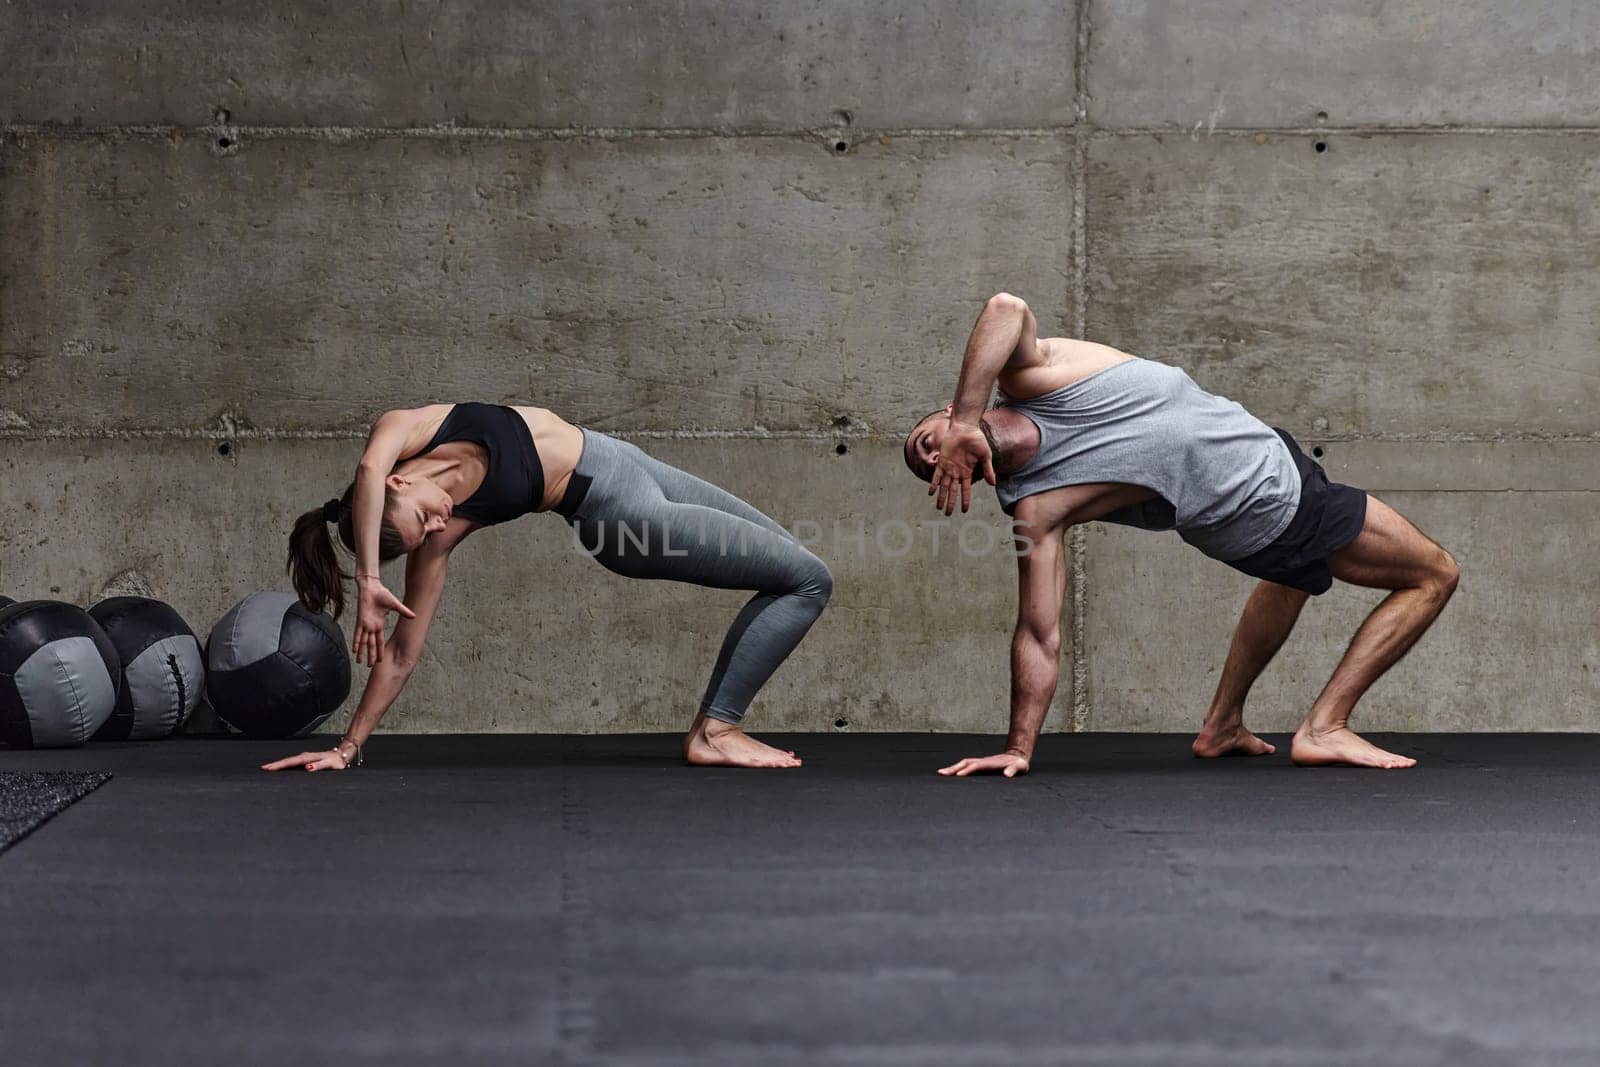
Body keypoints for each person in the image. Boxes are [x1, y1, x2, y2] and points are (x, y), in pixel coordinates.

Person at [904, 294, 1459, 773]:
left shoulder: (1032, 377)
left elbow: (1005, 309)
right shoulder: (1036, 510)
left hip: (1265, 462)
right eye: (927, 467)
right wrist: (1017, 748)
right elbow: (1038, 634)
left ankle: (1221, 726)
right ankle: (1324, 728)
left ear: (950, 413)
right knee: (1433, 574)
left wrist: (963, 426)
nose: (931, 456)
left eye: (926, 440)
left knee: (1291, 579)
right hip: (1268, 499)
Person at [267, 403, 831, 772]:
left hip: (625, 460)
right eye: (428, 533)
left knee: (795, 565)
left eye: (424, 518)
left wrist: (369, 579)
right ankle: (716, 729)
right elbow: (401, 653)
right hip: (627, 517)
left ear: (399, 480)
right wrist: (348, 747)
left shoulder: (403, 431)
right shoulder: (440, 543)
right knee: (809, 580)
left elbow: (366, 470)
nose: (439, 525)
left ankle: (716, 728)